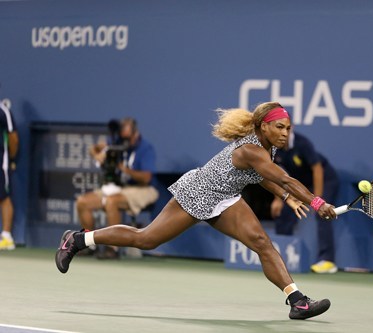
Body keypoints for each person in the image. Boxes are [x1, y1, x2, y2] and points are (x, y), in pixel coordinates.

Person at [55, 102, 337, 320]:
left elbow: (264, 176)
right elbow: (282, 177)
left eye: (288, 128)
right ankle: (77, 240)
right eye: (280, 128)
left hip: (226, 198)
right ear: (263, 126)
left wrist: (285, 196)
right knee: (146, 239)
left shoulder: (266, 147)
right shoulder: (252, 149)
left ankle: (297, 301)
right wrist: (317, 203)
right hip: (198, 193)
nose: (285, 133)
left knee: (262, 243)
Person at [75, 117, 159, 259]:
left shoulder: (145, 148)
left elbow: (146, 178)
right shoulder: (115, 142)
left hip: (142, 189)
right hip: (118, 186)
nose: (125, 141)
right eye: (122, 137)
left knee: (111, 202)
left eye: (128, 138)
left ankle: (113, 249)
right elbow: (93, 148)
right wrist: (98, 156)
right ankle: (88, 245)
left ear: (135, 133)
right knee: (82, 202)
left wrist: (123, 169)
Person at [271, 127, 339, 274]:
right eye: (278, 127)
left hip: (324, 179)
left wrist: (319, 201)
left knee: (324, 214)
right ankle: (279, 258)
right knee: (283, 212)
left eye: (286, 128)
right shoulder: (274, 147)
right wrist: (277, 199)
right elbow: (277, 174)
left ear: (291, 129)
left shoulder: (302, 143)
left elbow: (317, 169)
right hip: (300, 183)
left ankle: (327, 261)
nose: (282, 132)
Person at [0, 99, 19, 250]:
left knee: (4, 197)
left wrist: (11, 158)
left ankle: (7, 237)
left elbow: (13, 137)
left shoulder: (3, 110)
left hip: (1, 163)